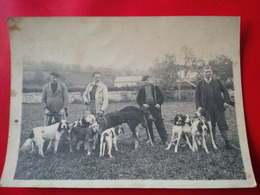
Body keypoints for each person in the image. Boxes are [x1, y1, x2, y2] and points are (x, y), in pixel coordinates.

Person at [195, 66, 239, 150]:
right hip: (206, 108)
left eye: (209, 71)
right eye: (206, 72)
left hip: (218, 106)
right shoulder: (200, 84)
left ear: (212, 72)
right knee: (211, 125)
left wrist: (226, 102)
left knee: (222, 123)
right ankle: (213, 142)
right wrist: (199, 107)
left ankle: (228, 143)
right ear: (203, 73)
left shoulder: (217, 81)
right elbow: (196, 97)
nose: (208, 73)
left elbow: (225, 91)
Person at [137, 75, 168, 146]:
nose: (147, 82)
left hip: (155, 108)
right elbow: (138, 100)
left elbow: (161, 97)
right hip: (146, 109)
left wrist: (159, 103)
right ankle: (151, 139)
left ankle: (165, 140)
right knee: (148, 125)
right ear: (143, 82)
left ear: (150, 80)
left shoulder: (155, 87)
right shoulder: (141, 89)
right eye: (145, 81)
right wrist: (143, 105)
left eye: (148, 80)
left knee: (160, 124)